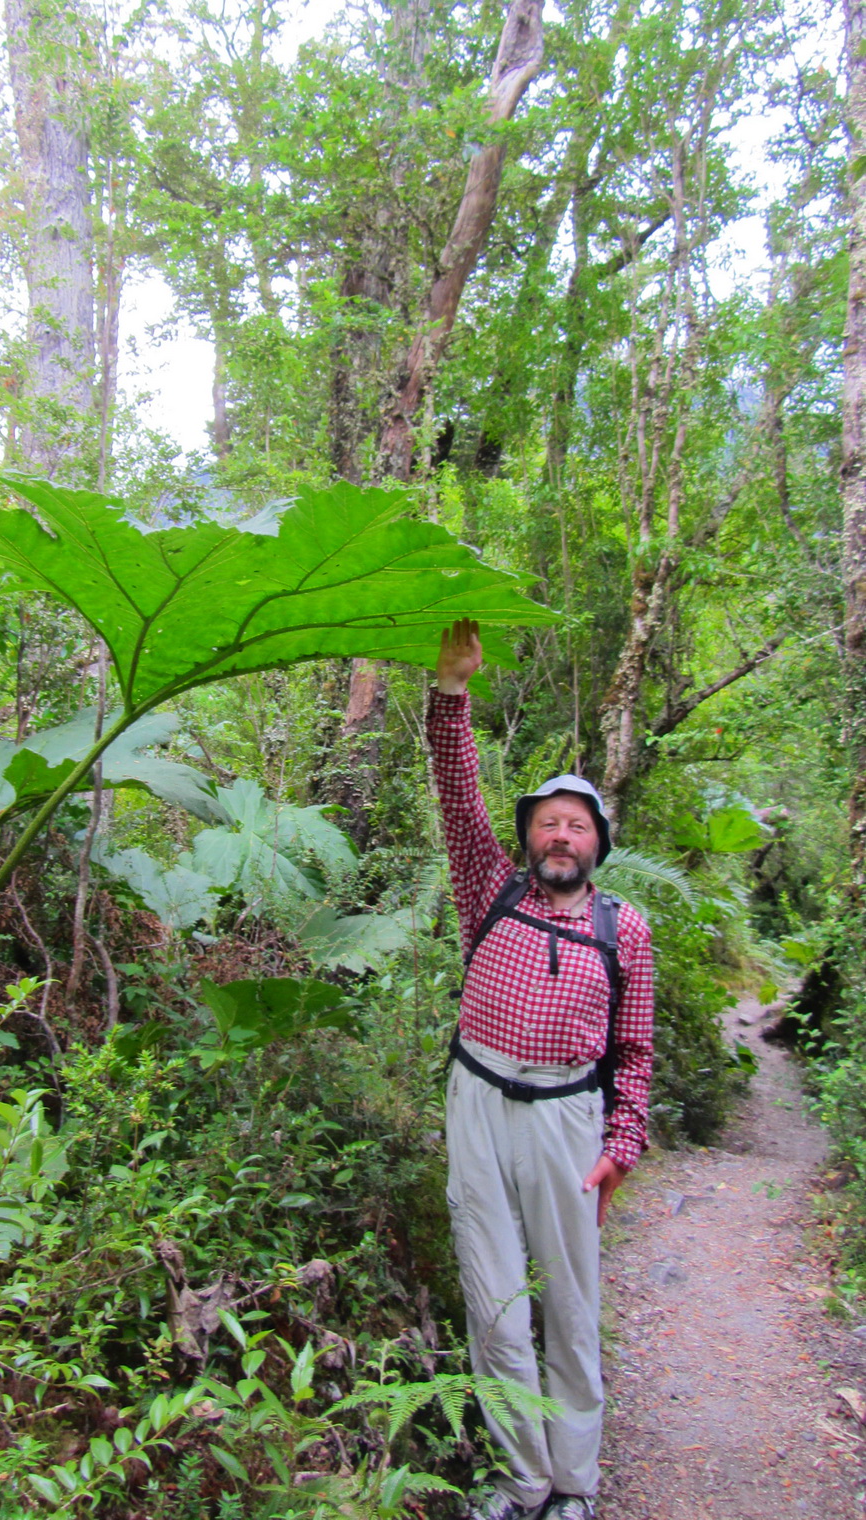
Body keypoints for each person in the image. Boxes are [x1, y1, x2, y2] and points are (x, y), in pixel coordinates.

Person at [428, 618, 654, 1520]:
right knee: (492, 1301)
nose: (560, 837)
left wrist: (621, 1145)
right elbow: (456, 794)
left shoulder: (622, 928)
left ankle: (575, 1485)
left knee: (569, 1305)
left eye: (577, 825)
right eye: (547, 823)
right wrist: (452, 692)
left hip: (568, 1120)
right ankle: (520, 1480)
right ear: (528, 838)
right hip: (478, 1101)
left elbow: (635, 1052)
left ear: (598, 842)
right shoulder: (491, 889)